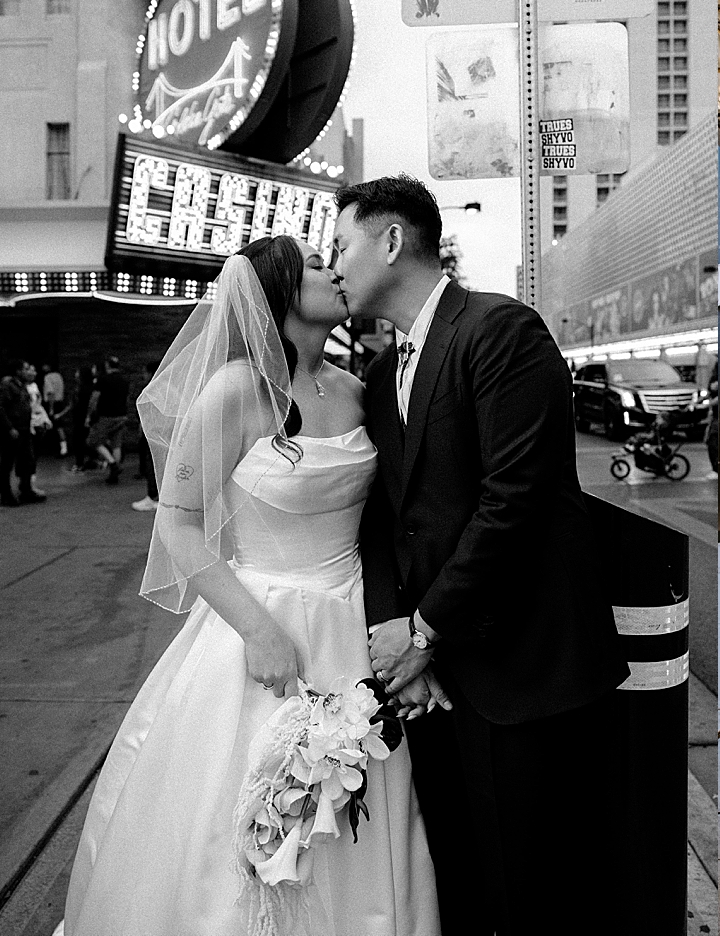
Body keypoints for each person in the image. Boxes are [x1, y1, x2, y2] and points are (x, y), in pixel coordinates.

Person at [61, 240, 440, 936]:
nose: (335, 270)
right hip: (259, 626)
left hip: (351, 628)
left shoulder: (358, 389)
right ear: (281, 292)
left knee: (364, 807)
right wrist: (258, 630)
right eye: (316, 264)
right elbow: (178, 524)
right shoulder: (237, 390)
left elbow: (386, 525)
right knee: (227, 813)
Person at [332, 174, 628, 935]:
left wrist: (422, 629)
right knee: (458, 883)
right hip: (433, 683)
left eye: (342, 244)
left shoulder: (500, 331)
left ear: (392, 240)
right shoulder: (377, 375)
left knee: (536, 893)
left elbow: (514, 502)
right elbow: (386, 521)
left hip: (524, 669)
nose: (333, 264)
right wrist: (399, 641)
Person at [0, 360, 46, 506]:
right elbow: (0, 408)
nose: (28, 371)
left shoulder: (21, 385)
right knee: (7, 462)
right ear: (18, 371)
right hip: (14, 429)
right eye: (25, 369)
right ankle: (5, 494)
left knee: (27, 460)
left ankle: (26, 489)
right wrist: (9, 428)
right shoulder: (7, 385)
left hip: (24, 429)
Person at [86, 356, 129, 485]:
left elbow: (94, 398)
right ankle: (114, 474)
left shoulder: (102, 379)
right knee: (116, 444)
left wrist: (89, 415)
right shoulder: (124, 380)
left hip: (106, 415)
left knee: (93, 440)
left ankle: (112, 464)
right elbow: (126, 398)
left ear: (107, 366)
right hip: (122, 415)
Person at [131, 360, 161, 512]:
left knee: (152, 463)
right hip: (161, 432)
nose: (143, 375)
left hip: (153, 432)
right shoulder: (166, 385)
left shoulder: (153, 388)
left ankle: (153, 496)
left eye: (144, 372)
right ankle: (157, 496)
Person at [42, 364, 67, 456]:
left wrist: (51, 408)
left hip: (52, 403)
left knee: (55, 425)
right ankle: (63, 447)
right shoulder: (58, 376)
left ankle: (62, 449)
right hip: (60, 401)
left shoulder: (48, 377)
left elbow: (50, 392)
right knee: (59, 426)